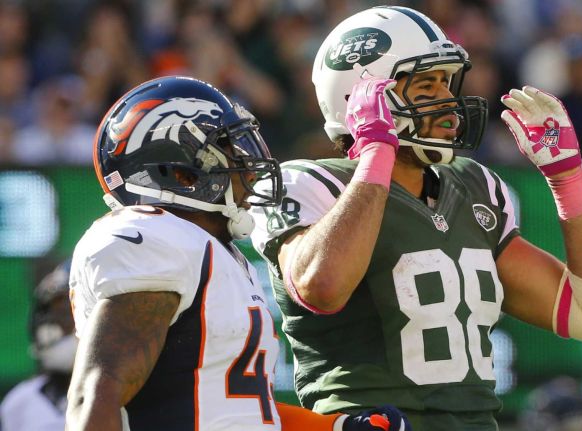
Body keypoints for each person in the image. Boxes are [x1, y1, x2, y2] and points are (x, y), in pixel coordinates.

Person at [250, 6, 582, 431]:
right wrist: (376, 151)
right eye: (426, 86)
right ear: (362, 95)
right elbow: (323, 287)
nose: (448, 103)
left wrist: (567, 180)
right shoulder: (307, 182)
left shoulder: (473, 185)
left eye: (447, 83)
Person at [65, 76, 410, 431]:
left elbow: (234, 406)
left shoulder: (214, 251)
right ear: (182, 173)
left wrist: (333, 427)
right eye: (230, 147)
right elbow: (96, 395)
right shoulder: (152, 236)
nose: (248, 163)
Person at [0, 260, 76, 430]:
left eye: (66, 311)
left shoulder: (130, 394)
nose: (55, 322)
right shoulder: (19, 404)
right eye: (54, 311)